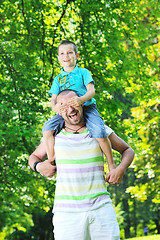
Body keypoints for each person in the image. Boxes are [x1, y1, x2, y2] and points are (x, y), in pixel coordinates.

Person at [29, 90, 135, 240]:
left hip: (101, 208)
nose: (70, 109)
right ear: (59, 111)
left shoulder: (100, 132)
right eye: (64, 106)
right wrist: (39, 166)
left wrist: (120, 169)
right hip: (66, 214)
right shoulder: (53, 137)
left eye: (73, 103)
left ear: (82, 103)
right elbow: (33, 157)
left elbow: (128, 150)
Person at [42, 40, 115, 172]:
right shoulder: (58, 79)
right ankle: (52, 159)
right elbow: (53, 100)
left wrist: (81, 100)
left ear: (77, 55)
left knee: (99, 131)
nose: (66, 56)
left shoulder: (83, 72)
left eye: (70, 53)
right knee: (47, 128)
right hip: (66, 112)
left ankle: (111, 164)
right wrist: (56, 108)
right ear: (58, 58)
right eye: (62, 54)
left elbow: (91, 91)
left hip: (87, 107)